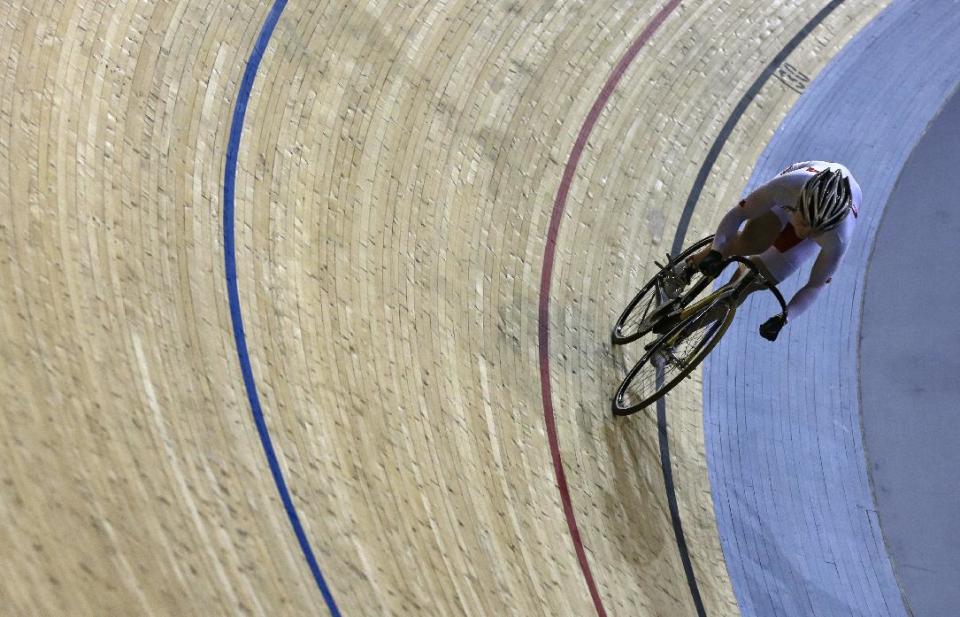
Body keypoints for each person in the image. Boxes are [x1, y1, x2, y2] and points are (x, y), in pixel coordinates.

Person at [681, 161, 861, 341]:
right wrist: (716, 251)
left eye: (815, 230)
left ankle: (679, 334)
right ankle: (684, 270)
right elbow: (739, 214)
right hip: (786, 205)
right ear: (798, 203)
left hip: (811, 232)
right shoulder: (787, 186)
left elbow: (815, 285)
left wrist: (784, 318)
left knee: (745, 287)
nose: (806, 232)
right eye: (805, 223)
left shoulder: (838, 238)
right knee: (749, 243)